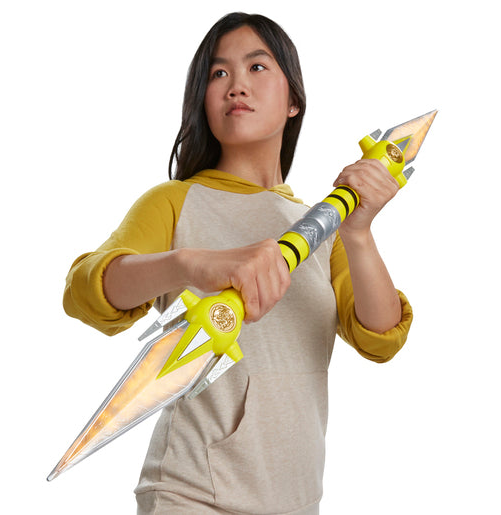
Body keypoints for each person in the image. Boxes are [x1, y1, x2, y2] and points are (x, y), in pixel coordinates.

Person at [63, 12, 413, 515]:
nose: (236, 86)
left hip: (295, 501)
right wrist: (191, 264)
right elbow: (86, 293)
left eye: (257, 67)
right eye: (218, 72)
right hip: (191, 493)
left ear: (293, 101)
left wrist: (357, 231)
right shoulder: (176, 202)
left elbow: (381, 338)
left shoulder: (322, 227)